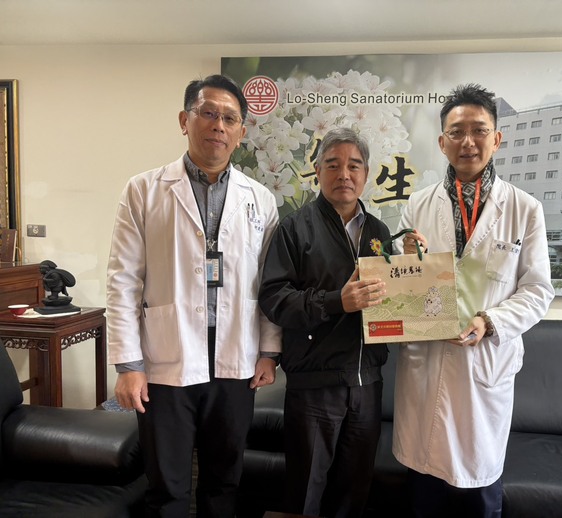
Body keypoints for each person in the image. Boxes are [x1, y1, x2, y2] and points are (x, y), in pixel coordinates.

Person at [106, 74, 281, 517]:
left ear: (241, 132)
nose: (218, 125)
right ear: (185, 121)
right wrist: (128, 365)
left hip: (236, 360)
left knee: (224, 481)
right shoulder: (143, 190)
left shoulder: (261, 200)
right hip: (166, 358)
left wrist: (268, 352)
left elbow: (269, 284)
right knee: (166, 484)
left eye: (230, 118)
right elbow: (123, 279)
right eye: (208, 113)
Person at [393, 84, 555, 517]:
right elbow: (403, 286)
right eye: (457, 132)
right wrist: (406, 261)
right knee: (424, 493)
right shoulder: (416, 206)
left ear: (496, 138)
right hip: (427, 363)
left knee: (480, 493)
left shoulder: (525, 209)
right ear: (442, 142)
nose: (468, 141)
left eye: (479, 130)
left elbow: (538, 290)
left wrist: (490, 321)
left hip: (484, 368)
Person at [258, 127, 391, 518]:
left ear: (366, 174)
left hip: (367, 384)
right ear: (317, 172)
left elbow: (392, 300)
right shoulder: (294, 228)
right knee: (306, 493)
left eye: (354, 166)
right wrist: (337, 301)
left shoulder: (379, 232)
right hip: (315, 386)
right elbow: (274, 298)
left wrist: (416, 266)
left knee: (354, 491)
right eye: (333, 165)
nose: (343, 174)